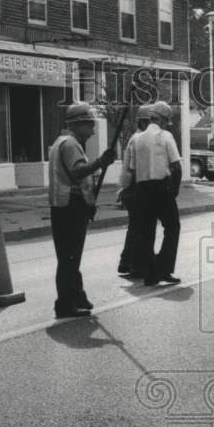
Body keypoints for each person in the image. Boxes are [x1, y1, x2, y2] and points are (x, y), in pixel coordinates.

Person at [48, 103, 116, 317]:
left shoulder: (63, 142)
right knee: (69, 257)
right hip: (69, 206)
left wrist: (90, 203)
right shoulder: (70, 144)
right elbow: (77, 172)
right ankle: (65, 304)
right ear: (78, 125)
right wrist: (100, 162)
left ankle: (77, 295)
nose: (93, 130)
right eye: (89, 125)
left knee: (70, 256)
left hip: (67, 204)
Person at [128, 101, 182, 287]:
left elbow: (133, 170)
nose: (167, 124)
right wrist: (174, 190)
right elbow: (176, 166)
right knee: (173, 227)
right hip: (161, 188)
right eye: (167, 121)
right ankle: (164, 268)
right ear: (163, 119)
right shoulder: (165, 136)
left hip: (142, 189)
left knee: (146, 232)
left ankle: (150, 273)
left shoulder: (137, 139)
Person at [116, 111, 150, 275]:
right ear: (143, 123)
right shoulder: (139, 140)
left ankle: (126, 262)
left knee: (135, 227)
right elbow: (134, 168)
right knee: (139, 228)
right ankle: (135, 265)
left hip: (130, 188)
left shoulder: (135, 138)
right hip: (135, 188)